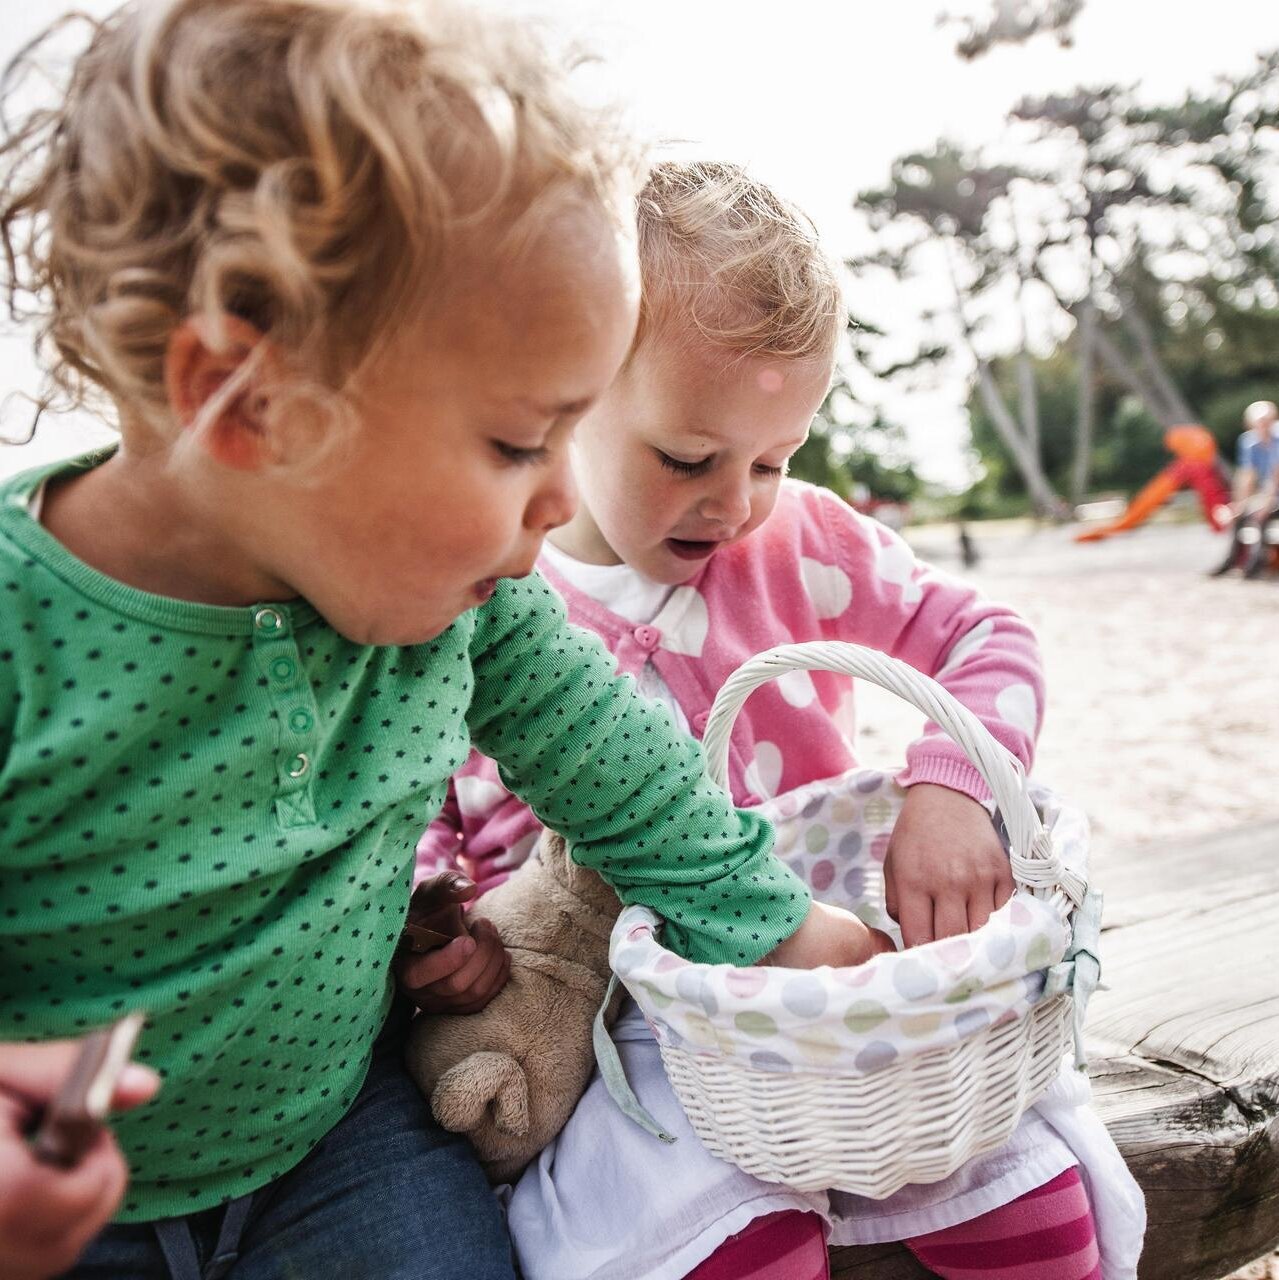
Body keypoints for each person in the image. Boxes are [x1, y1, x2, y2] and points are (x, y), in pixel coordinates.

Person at [0, 9, 877, 1279]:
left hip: (335, 1146)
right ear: (250, 406)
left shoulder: (460, 601)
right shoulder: (26, 628)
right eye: (522, 443)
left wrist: (778, 927)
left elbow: (617, 764)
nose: (559, 505)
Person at [423, 161, 1146, 1280]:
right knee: (733, 1247)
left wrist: (950, 779)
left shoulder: (798, 542)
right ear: (573, 393)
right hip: (627, 1037)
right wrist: (452, 936)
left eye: (774, 458)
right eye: (687, 457)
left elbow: (986, 635)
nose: (735, 501)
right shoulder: (490, 600)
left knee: (1031, 1211)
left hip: (835, 989)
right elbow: (421, 808)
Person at [1210, 400, 1279, 578]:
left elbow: (1276, 474)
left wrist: (1265, 504)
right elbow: (1246, 476)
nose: (1263, 426)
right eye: (1259, 422)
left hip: (1274, 494)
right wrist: (1239, 504)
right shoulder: (1249, 442)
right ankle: (1232, 561)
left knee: (1262, 517)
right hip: (1268, 495)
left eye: (1267, 421)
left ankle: (1256, 563)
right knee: (1241, 515)